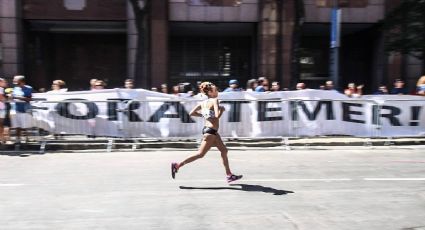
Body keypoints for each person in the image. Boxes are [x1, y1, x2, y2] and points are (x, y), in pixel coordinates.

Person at [171, 82, 242, 183]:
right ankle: (177, 165)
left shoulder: (203, 103)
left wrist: (205, 115)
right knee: (200, 154)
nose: (217, 91)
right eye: (215, 90)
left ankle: (229, 175)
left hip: (210, 131)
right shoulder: (215, 100)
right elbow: (217, 116)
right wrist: (221, 110)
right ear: (210, 92)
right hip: (210, 132)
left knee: (224, 150)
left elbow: (192, 113)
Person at [10, 75, 33, 143]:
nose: (15, 83)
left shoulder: (28, 88)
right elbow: (12, 97)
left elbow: (29, 99)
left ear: (22, 82)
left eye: (17, 81)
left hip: (25, 109)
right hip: (17, 108)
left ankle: (27, 138)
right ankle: (18, 139)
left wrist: (17, 97)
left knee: (25, 125)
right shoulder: (15, 88)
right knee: (17, 125)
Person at [0, 78, 7, 143]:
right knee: (1, 124)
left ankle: (2, 138)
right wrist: (7, 99)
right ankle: (2, 138)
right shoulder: (1, 89)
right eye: (3, 82)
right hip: (1, 108)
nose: (5, 83)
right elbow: (1, 98)